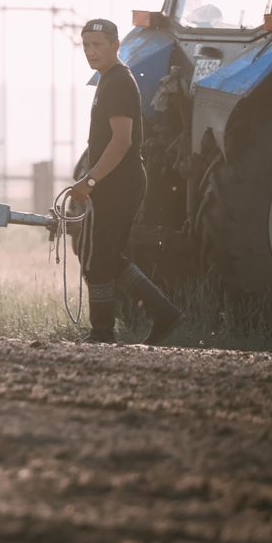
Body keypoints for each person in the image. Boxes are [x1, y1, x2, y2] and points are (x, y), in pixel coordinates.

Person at [63, 18, 181, 344]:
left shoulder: (117, 83)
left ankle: (103, 332)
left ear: (116, 46)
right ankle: (163, 314)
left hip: (119, 184)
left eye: (98, 45)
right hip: (113, 183)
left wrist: (89, 181)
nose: (91, 52)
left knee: (99, 260)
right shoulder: (108, 80)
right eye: (86, 45)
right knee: (107, 257)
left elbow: (122, 141)